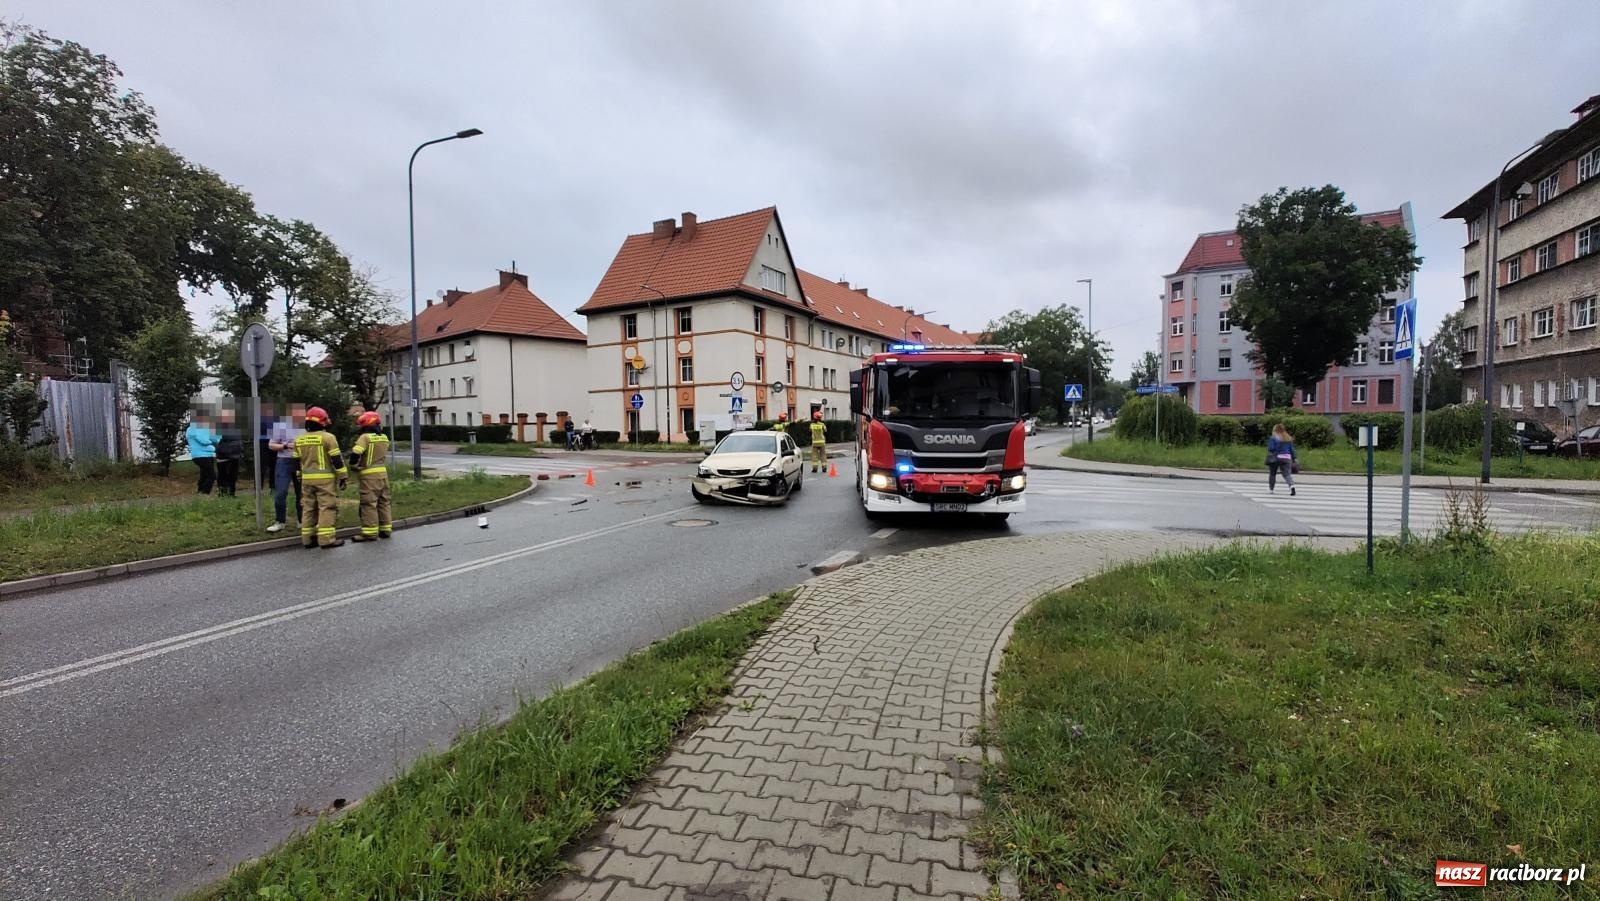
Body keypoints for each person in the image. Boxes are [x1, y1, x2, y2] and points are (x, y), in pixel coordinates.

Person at [294, 406, 349, 548]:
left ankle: (307, 539)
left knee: (308, 508)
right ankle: (326, 540)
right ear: (322, 422)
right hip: (325, 481)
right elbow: (336, 460)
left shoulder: (299, 439)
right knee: (327, 508)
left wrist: (300, 477)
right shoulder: (328, 438)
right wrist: (343, 476)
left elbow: (296, 462)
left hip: (306, 480)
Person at [348, 410, 392, 542]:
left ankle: (370, 533)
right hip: (383, 475)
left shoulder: (365, 437)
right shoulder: (384, 437)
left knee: (369, 504)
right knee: (384, 502)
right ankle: (385, 529)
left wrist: (353, 465)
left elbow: (356, 453)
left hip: (369, 476)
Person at [266, 405, 305, 533]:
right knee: (280, 493)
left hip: (301, 461)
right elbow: (271, 445)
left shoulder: (307, 427)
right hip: (284, 461)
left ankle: (302, 520)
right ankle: (280, 521)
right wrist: (285, 445)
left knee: (302, 493)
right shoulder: (280, 427)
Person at [185, 411, 219, 494]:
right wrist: (211, 443)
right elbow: (203, 440)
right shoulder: (194, 428)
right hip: (200, 455)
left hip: (208, 454)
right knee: (211, 476)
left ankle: (200, 491)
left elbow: (215, 437)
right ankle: (205, 493)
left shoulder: (204, 428)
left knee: (204, 474)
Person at [214, 412, 243, 498]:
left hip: (225, 452)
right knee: (231, 473)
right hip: (231, 453)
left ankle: (224, 493)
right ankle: (230, 493)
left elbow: (215, 439)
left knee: (225, 473)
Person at [1267, 422, 1297, 496]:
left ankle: (1271, 489)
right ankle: (1292, 486)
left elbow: (1271, 448)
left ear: (1275, 430)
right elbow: (1292, 450)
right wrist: (1294, 458)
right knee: (1287, 474)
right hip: (1287, 458)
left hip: (1276, 457)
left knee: (1272, 473)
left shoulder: (1273, 438)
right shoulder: (1288, 438)